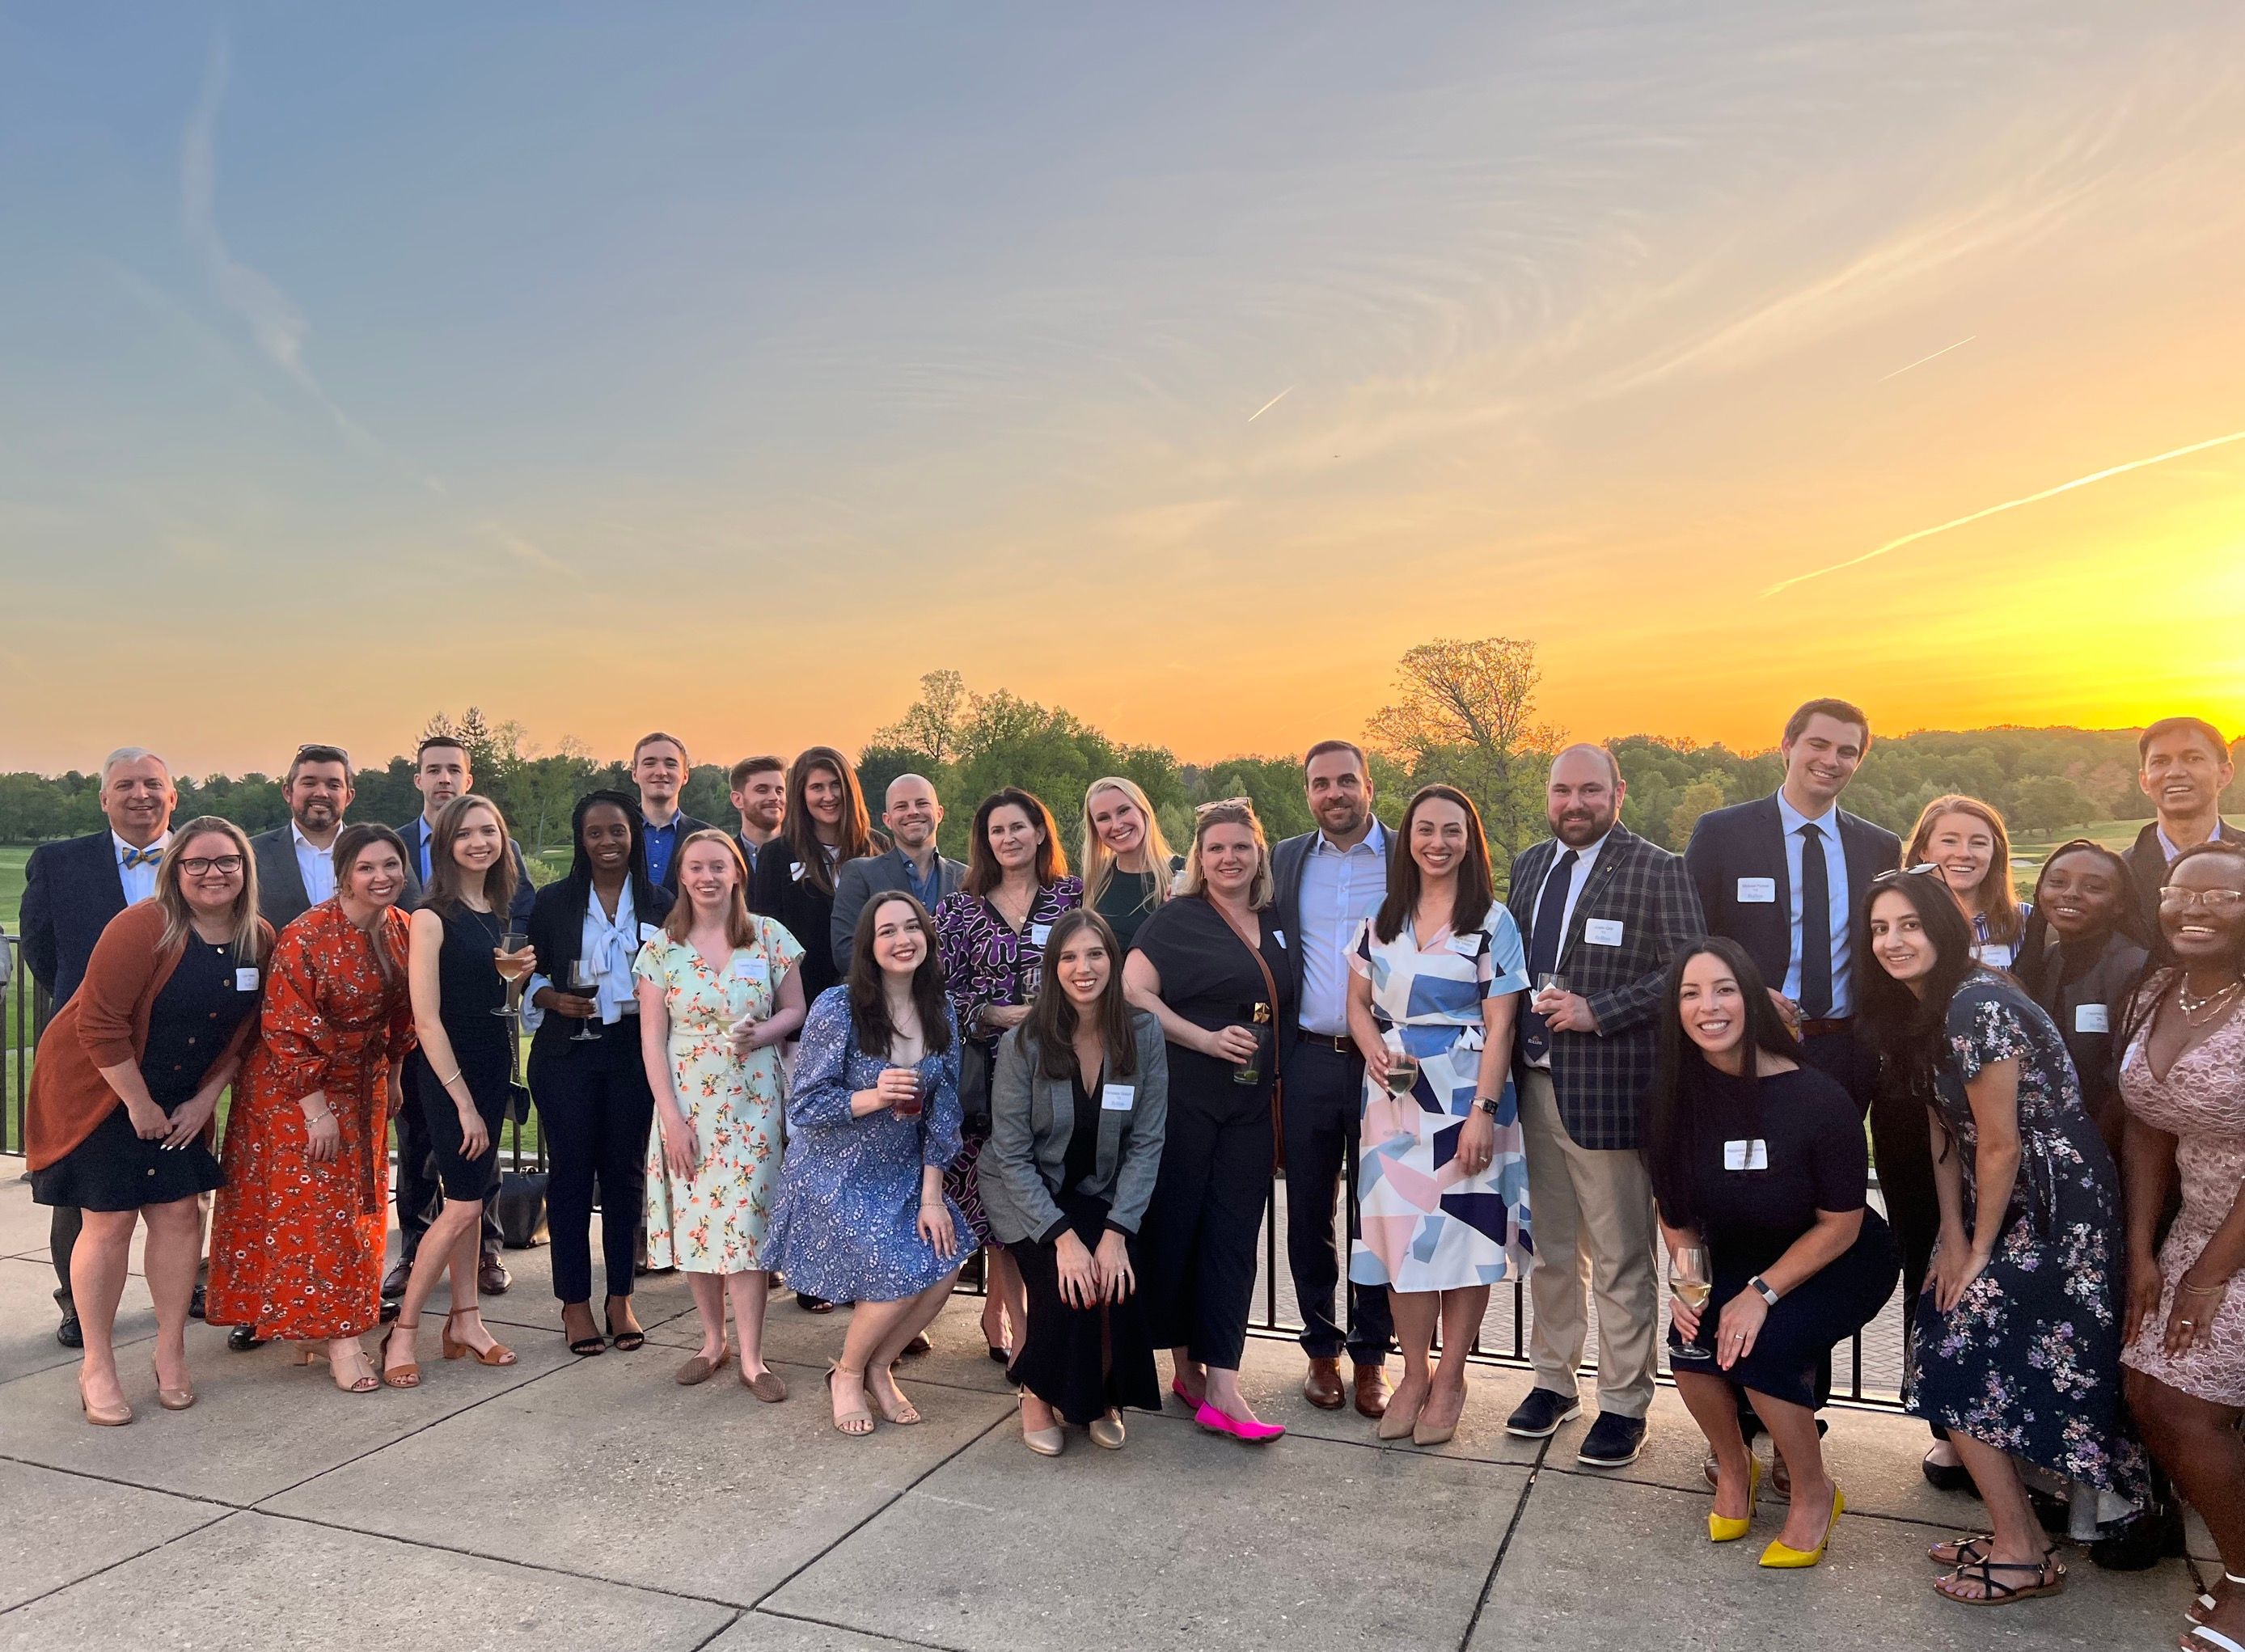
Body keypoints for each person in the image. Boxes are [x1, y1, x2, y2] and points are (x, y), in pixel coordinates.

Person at [1859, 867, 2144, 1605]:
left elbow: (2000, 1142)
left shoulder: (1975, 1002)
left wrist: (1978, 1250)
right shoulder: (1920, 1009)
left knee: (1957, 1344)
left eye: (1910, 924)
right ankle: (2019, 1531)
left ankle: (2023, 1548)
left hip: (2055, 1198)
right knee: (1948, 1331)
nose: (1894, 941)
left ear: (1942, 928)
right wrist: (1950, 1237)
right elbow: (1940, 1131)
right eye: (1881, 928)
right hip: (2001, 1195)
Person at [1645, 939, 1899, 1567]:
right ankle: (1736, 1469)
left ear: (1752, 999)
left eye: (1725, 988)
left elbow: (1840, 1225)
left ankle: (1815, 1493)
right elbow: (1674, 1215)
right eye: (1691, 993)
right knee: (1691, 1342)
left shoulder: (1817, 1097)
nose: (1710, 1006)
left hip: (1838, 1257)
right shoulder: (1673, 1096)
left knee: (1766, 1347)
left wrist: (1760, 1294)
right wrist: (1691, 1286)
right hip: (1740, 1251)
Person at [27, 822, 271, 1424]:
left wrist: (204, 1099)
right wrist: (138, 1105)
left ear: (245, 868)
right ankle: (98, 1364)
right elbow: (99, 1024)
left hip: (183, 1096)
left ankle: (170, 1351)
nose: (214, 873)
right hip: (105, 1089)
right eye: (197, 863)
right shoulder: (141, 926)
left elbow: (247, 1036)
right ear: (175, 871)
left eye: (227, 861)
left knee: (179, 1214)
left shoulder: (257, 938)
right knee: (108, 1222)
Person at [1503, 744, 1706, 1468]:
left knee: (1620, 1256)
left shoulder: (1658, 867)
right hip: (1531, 1086)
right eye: (1563, 791)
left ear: (1618, 792)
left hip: (1610, 1093)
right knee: (1552, 1251)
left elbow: (1689, 971)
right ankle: (1554, 1382)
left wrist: (1601, 1010)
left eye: (1590, 790)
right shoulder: (1528, 865)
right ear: (1549, 796)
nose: (1575, 804)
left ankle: (1624, 1402)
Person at [1347, 784, 1531, 1447]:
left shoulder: (1493, 920)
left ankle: (1452, 1376)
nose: (1436, 842)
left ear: (1469, 840)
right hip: (1392, 1098)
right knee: (1400, 1243)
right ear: (1408, 838)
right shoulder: (1383, 915)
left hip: (1465, 1094)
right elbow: (1357, 1004)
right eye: (1425, 829)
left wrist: (1483, 1111)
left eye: (1451, 830)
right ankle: (1414, 1373)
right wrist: (1374, 1051)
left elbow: (1502, 1023)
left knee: (1464, 1237)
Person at [205, 824, 415, 1393]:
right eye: (368, 867)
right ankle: (338, 1338)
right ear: (344, 873)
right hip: (295, 1091)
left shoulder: (402, 929)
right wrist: (316, 1108)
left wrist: (395, 1070)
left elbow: (405, 1013)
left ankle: (326, 1326)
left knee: (360, 1210)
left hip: (365, 1083)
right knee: (316, 1213)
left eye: (391, 865)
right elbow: (287, 1028)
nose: (382, 877)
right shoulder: (308, 935)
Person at [768, 892, 970, 1435]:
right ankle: (847, 1372)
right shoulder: (838, 1006)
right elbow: (806, 1106)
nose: (902, 939)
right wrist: (875, 1096)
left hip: (903, 1168)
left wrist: (933, 1195)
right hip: (836, 1169)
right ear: (869, 944)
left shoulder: (940, 1008)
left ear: (927, 938)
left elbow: (945, 1106)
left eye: (912, 927)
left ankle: (881, 1366)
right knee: (899, 1266)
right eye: (887, 931)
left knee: (950, 1253)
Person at [1125, 797, 1292, 1443]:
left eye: (1241, 848)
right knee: (1180, 1229)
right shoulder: (1178, 918)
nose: (1229, 858)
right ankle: (1187, 1369)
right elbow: (1132, 990)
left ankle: (1223, 1381)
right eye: (1216, 848)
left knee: (1233, 1239)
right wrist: (1202, 1038)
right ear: (1200, 857)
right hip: (1187, 1101)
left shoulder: (1275, 919)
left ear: (1258, 854)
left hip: (1251, 1107)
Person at [2116, 843, 2245, 1646]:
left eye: (2220, 898)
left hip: (2230, 1245)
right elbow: (2144, 1126)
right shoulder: (2155, 990)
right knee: (2143, 1393)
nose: (2193, 908)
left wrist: (2210, 1272)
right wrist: (2140, 1249)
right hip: (2194, 1227)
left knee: (2184, 1405)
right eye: (2179, 893)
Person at [985, 909, 1169, 1455]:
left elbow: (1147, 1140)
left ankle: (1103, 1393)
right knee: (1068, 1279)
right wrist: (1063, 1238)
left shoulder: (1143, 1032)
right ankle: (1037, 1392)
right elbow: (1012, 1154)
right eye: (1068, 956)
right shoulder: (1026, 1042)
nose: (1082, 967)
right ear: (1053, 966)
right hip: (1025, 1191)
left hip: (1101, 1187)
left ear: (1113, 961)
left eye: (1094, 954)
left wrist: (1115, 1233)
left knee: (1113, 1277)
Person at [636, 829, 807, 1396]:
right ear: (681, 876)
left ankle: (754, 1357)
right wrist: (672, 1119)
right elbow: (652, 1040)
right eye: (696, 867)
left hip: (755, 1102)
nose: (708, 877)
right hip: (688, 1105)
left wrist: (765, 1031)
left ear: (737, 872)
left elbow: (796, 1008)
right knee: (699, 1223)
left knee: (748, 1228)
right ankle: (713, 1341)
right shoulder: (661, 949)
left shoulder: (769, 937)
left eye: (719, 866)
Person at [19, 746, 178, 1350]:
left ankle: (184, 1283)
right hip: (87, 1050)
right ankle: (76, 1304)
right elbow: (43, 950)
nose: (141, 795)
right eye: (127, 784)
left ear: (173, 796)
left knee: (180, 1188)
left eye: (153, 784)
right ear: (105, 798)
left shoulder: (204, 856)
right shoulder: (59, 861)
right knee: (84, 1186)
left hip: (177, 1045)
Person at [380, 795, 531, 1388]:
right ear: (444, 843)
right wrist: (463, 1100)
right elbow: (428, 1019)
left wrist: (517, 977)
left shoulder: (497, 911)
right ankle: (405, 1331)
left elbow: (489, 1002)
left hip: (493, 1066)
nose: (479, 841)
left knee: (467, 1201)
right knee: (465, 1203)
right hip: (449, 1078)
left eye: (489, 830)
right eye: (465, 832)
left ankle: (466, 1321)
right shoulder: (429, 916)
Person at [935, 787, 1084, 1366]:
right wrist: (993, 1014)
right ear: (985, 840)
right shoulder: (960, 908)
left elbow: (1093, 963)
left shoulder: (1069, 897)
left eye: (1019, 827)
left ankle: (1021, 1312)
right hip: (989, 1073)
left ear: (1041, 832)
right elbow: (941, 993)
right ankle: (1018, 1326)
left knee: (1049, 1191)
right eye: (998, 830)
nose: (1009, 838)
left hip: (1060, 1070)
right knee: (1000, 1201)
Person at [522, 792, 673, 1357]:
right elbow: (522, 977)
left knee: (625, 1177)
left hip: (633, 1055)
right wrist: (552, 997)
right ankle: (574, 1302)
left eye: (617, 831)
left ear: (633, 835)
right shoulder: (554, 902)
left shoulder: (661, 904)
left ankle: (620, 1297)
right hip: (566, 1056)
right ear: (581, 840)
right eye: (595, 833)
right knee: (569, 1176)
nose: (607, 842)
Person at [1270, 741, 1395, 1416]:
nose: (1334, 793)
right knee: (1309, 1212)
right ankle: (1322, 1347)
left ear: (1368, 785)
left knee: (1377, 1214)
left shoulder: (1410, 854)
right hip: (1310, 1056)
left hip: (1388, 1063)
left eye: (1346, 779)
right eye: (1321, 783)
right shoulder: (1286, 859)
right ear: (1308, 793)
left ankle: (1374, 1358)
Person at [2015, 842, 2150, 1158]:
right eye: (2057, 882)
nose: (2071, 894)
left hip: (2114, 1149)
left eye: (2093, 887)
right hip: (2048, 1148)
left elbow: (2128, 1083)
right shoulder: (2045, 961)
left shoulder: (2136, 968)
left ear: (2119, 904)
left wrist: (2086, 1151)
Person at [749, 745, 882, 1011]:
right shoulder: (777, 855)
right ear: (801, 793)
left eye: (836, 785)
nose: (829, 796)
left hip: (876, 1003)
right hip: (805, 1007)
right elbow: (764, 941)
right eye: (817, 787)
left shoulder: (878, 848)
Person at [830, 773, 966, 970]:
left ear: (939, 813)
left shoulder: (967, 878)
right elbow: (847, 953)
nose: (912, 812)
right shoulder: (860, 874)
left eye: (922, 803)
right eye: (901, 806)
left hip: (953, 998)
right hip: (882, 998)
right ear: (887, 820)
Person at [2125, 718, 2237, 930]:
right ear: (2144, 781)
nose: (2175, 772)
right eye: (2160, 762)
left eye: (2193, 759)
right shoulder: (2118, 875)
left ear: (2224, 774)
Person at [1907, 796, 2029, 968]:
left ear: (1994, 852)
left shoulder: (2027, 921)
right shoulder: (1899, 924)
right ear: (1924, 850)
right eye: (1949, 841)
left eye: (1978, 843)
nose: (1964, 853)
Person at [248, 743, 353, 928]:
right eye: (309, 783)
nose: (321, 793)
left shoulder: (377, 853)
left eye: (333, 785)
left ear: (349, 796)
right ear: (287, 792)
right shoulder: (253, 854)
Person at [1080, 775, 1180, 952]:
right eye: (1104, 818)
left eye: (1123, 811)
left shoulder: (1183, 875)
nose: (1117, 825)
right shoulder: (1095, 882)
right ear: (1095, 828)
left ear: (1143, 811)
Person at [632, 732, 714, 893]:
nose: (661, 772)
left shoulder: (708, 838)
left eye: (671, 764)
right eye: (650, 763)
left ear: (685, 776)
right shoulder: (616, 835)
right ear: (634, 774)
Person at [728, 754, 788, 881]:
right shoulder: (725, 857)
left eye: (779, 791)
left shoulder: (807, 855)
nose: (774, 797)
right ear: (738, 799)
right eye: (762, 790)